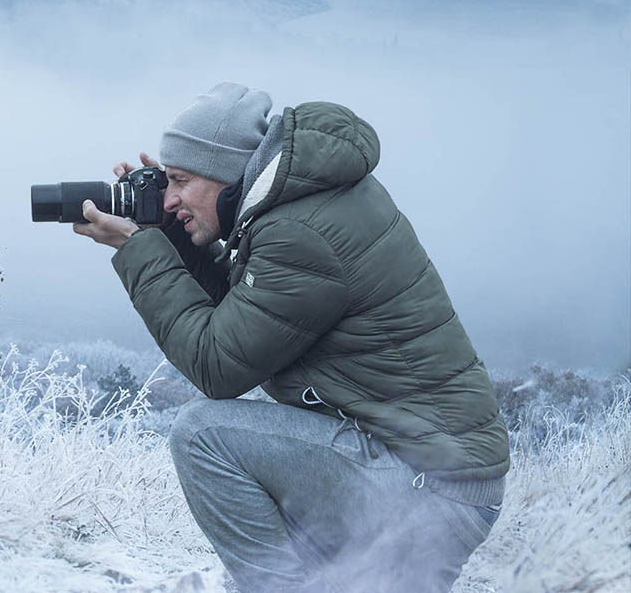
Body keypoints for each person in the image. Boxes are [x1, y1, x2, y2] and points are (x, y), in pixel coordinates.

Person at [73, 83, 509, 592]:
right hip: (433, 477)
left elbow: (217, 364)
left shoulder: (300, 234)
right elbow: (249, 320)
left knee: (202, 434)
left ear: (227, 172)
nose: (170, 199)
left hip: (430, 494)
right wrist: (172, 235)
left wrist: (140, 249)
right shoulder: (303, 204)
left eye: (180, 181)